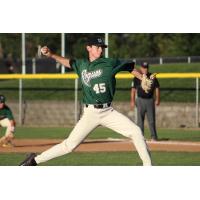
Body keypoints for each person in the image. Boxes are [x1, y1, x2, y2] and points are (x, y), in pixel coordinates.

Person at [19, 37, 153, 166]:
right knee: (69, 146)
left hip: (108, 112)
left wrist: (142, 78)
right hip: (90, 113)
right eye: (98, 47)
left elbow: (129, 67)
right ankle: (34, 161)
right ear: (88, 48)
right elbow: (68, 62)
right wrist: (51, 54)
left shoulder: (109, 63)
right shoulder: (81, 65)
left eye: (102, 47)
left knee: (135, 131)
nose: (101, 50)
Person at [130, 62, 160, 141]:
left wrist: (157, 99)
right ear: (141, 68)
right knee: (140, 120)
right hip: (140, 100)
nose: (145, 69)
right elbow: (133, 90)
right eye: (144, 67)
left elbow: (157, 88)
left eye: (146, 67)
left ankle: (154, 137)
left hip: (150, 100)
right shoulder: (137, 77)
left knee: (151, 120)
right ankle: (140, 136)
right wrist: (132, 101)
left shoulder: (152, 77)